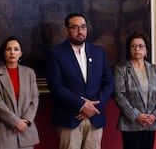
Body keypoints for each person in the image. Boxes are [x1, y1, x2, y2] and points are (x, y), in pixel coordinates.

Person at [47, 13, 114, 149]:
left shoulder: (99, 52)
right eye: (75, 28)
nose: (80, 31)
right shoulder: (56, 53)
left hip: (95, 117)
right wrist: (82, 106)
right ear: (66, 31)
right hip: (69, 118)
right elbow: (56, 87)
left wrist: (92, 107)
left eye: (83, 27)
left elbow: (109, 83)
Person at [113, 32, 156, 149]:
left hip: (150, 123)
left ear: (146, 50)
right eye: (133, 46)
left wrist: (155, 115)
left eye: (141, 46)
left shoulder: (154, 69)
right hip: (130, 122)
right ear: (129, 50)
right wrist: (137, 115)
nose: (137, 49)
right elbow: (119, 96)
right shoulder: (121, 69)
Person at [0, 36, 40, 149]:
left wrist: (26, 121)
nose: (12, 52)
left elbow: (34, 99)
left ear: (20, 53)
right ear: (3, 52)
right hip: (3, 132)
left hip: (26, 130)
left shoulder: (29, 73)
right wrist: (16, 122)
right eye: (8, 49)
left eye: (16, 49)